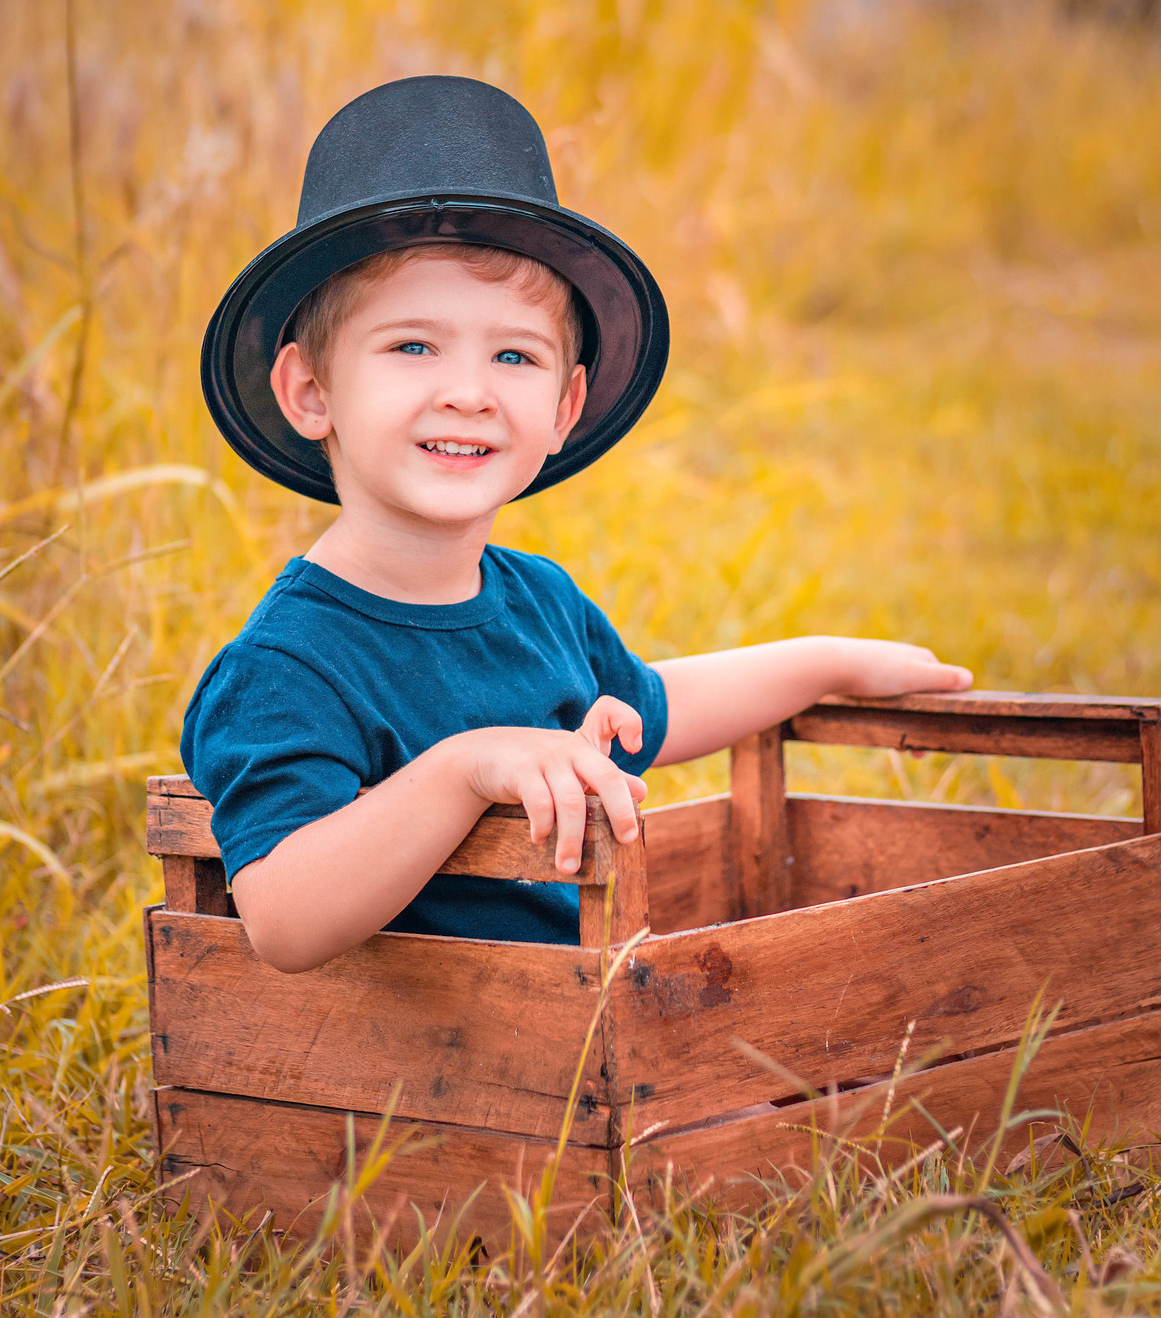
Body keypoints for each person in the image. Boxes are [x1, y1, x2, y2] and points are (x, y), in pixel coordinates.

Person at [183, 75, 971, 973]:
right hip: (424, 1052)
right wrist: (464, 768)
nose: (470, 391)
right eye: (413, 345)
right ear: (310, 390)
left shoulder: (540, 602)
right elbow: (284, 918)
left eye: (514, 355)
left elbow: (658, 709)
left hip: (586, 1026)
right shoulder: (287, 665)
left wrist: (830, 662)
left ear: (565, 407)